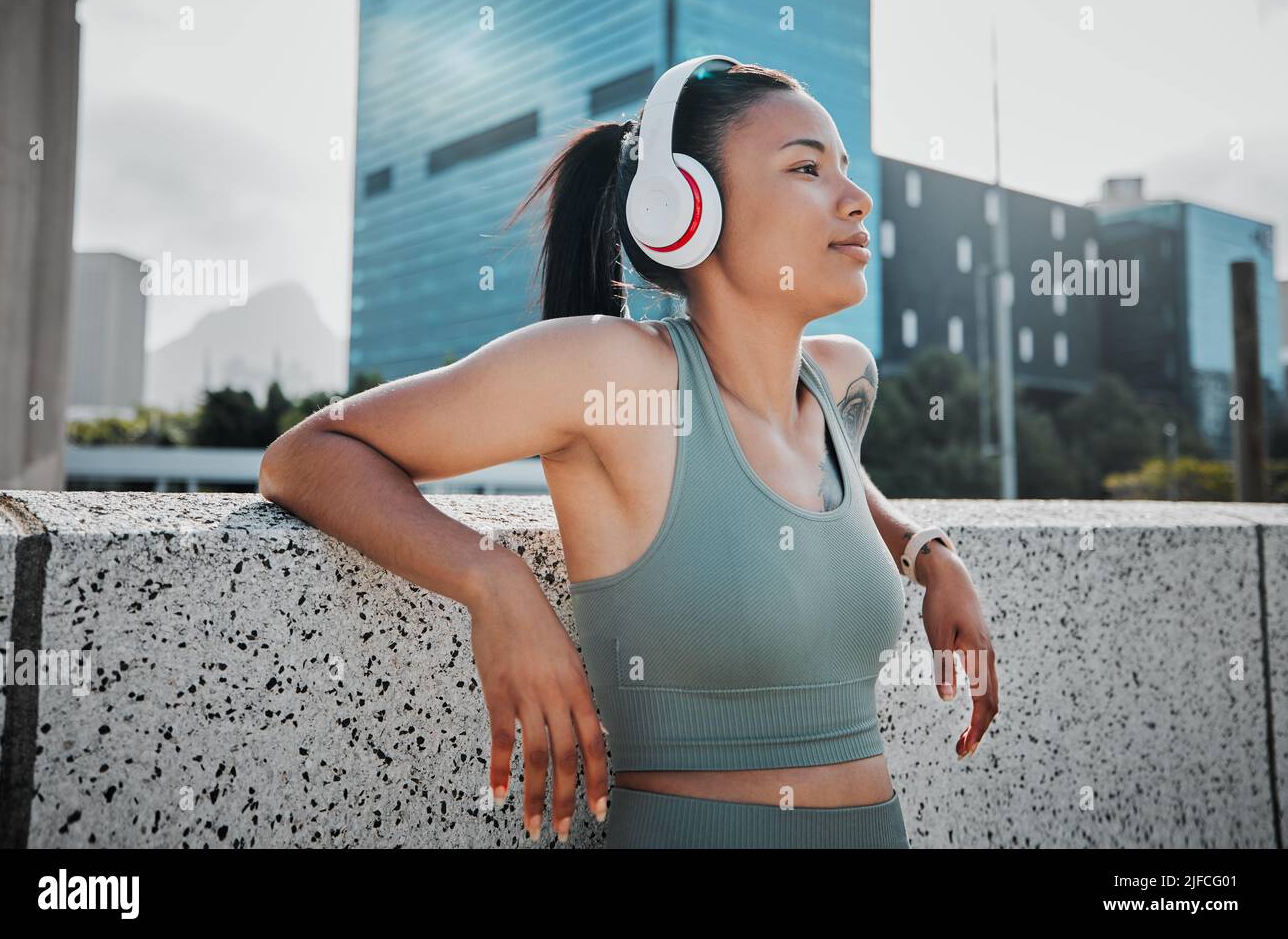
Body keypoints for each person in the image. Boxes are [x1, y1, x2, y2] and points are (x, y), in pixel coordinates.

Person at [259, 57, 999, 849]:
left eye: (845, 167)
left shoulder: (842, 378)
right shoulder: (609, 372)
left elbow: (827, 486)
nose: (855, 197)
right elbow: (307, 452)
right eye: (806, 168)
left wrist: (929, 554)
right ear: (685, 207)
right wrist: (491, 579)